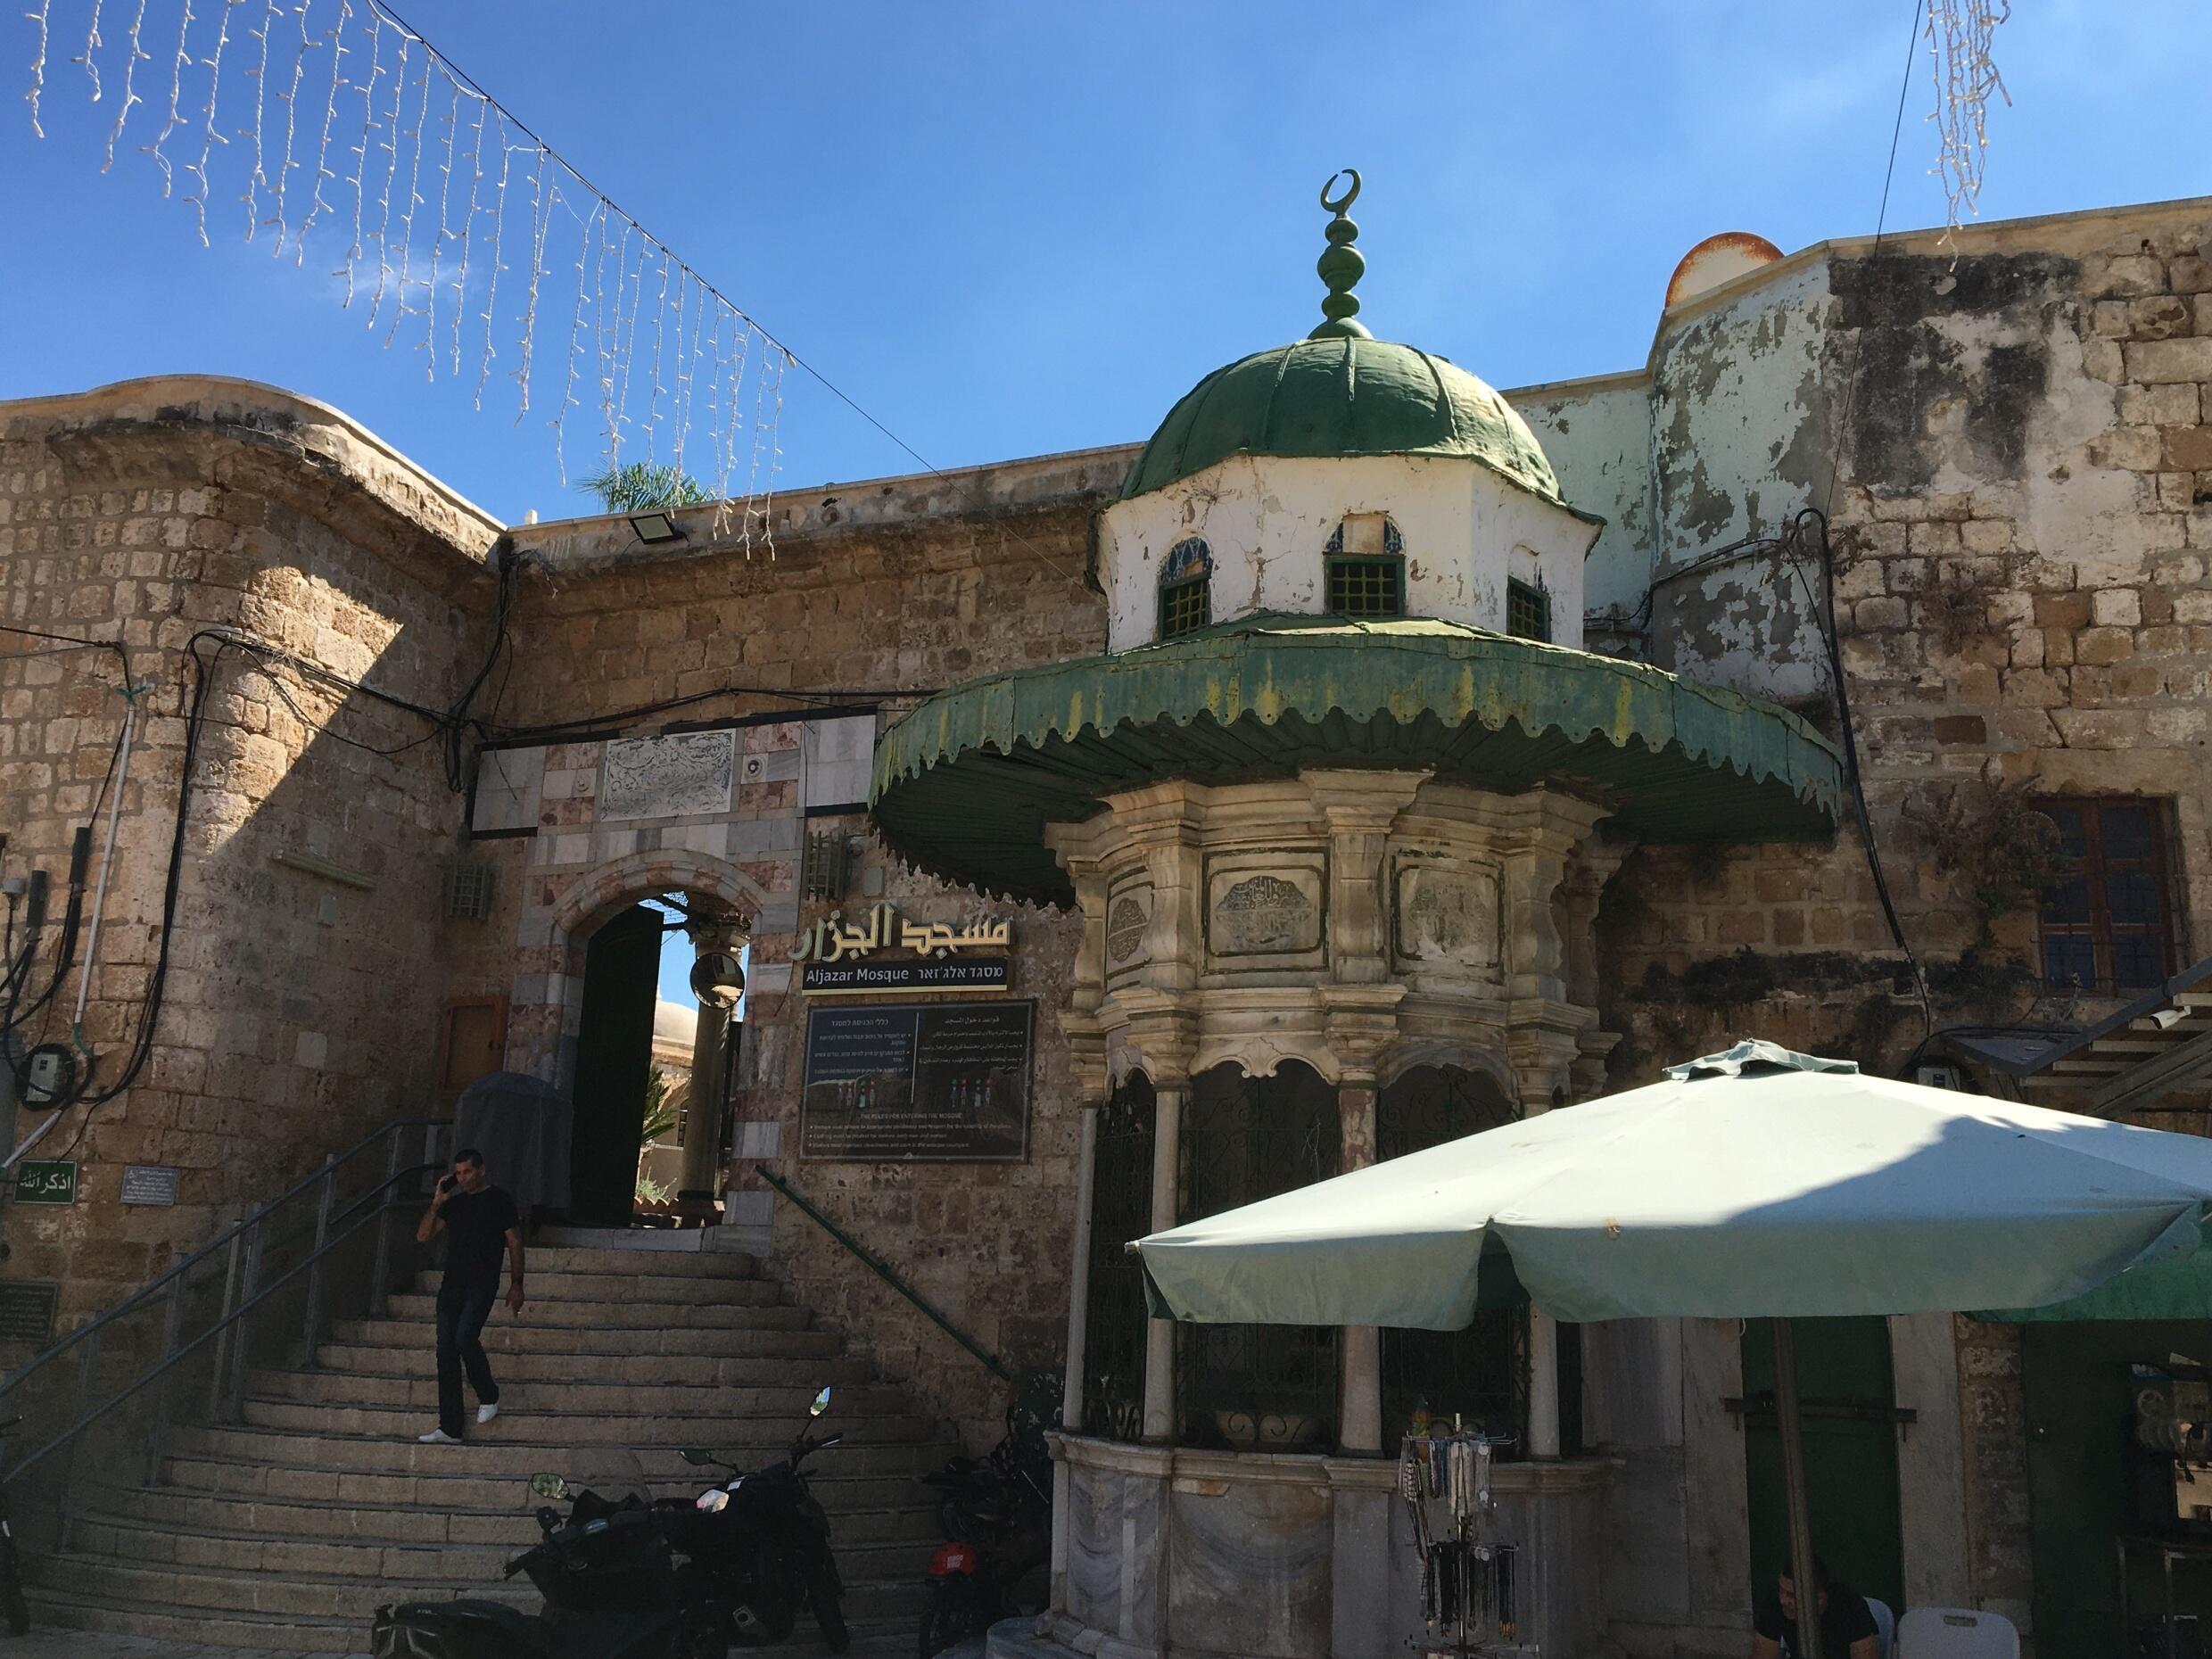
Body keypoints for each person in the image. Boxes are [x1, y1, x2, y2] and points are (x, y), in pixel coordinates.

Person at [413, 1147, 524, 1445]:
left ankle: (488, 1394)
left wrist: (517, 1283)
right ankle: (450, 1427)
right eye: (458, 1173)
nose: (463, 1178)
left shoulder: (499, 1199)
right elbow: (423, 1235)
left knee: (464, 1338)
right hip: (452, 1286)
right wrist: (437, 1204)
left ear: (481, 1170)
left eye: (468, 1172)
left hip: (482, 1284)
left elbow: (514, 1242)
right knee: (446, 1353)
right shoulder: (455, 1204)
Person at [1750, 1556, 1879, 1659]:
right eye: (1781, 1590)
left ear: (1820, 1598)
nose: (1783, 1600)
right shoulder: (1774, 1603)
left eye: (1791, 1595)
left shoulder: (1850, 1606)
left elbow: (1864, 1654)